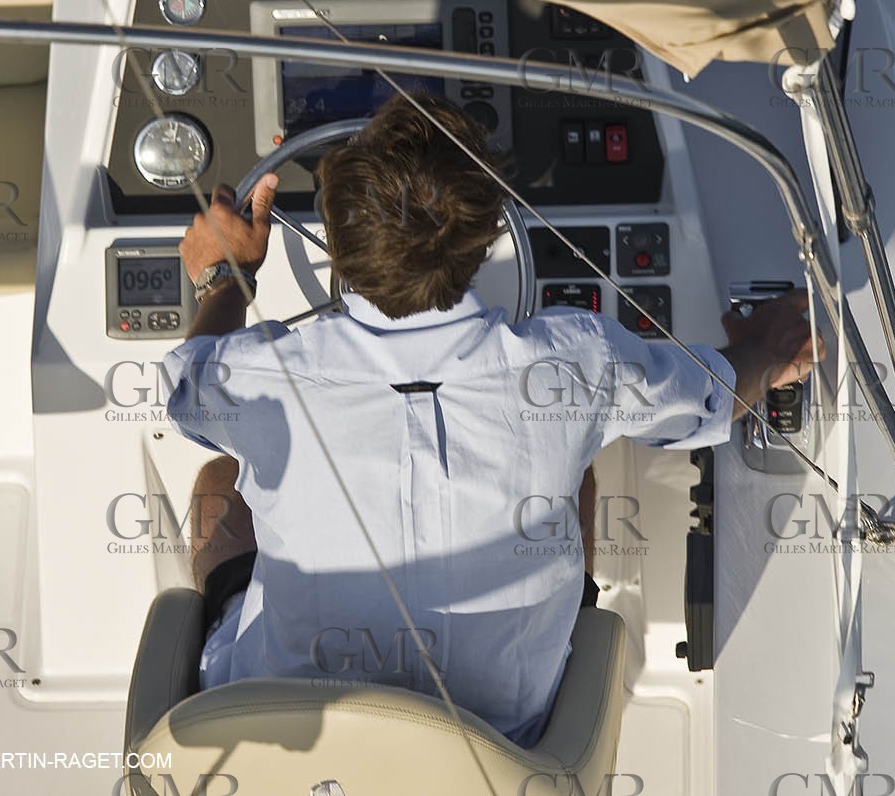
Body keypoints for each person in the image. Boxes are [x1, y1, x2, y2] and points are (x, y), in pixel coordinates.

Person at [163, 93, 820, 745]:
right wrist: (767, 350)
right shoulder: (576, 362)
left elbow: (186, 386)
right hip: (504, 743)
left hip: (287, 737)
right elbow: (707, 400)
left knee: (220, 479)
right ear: (484, 237)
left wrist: (225, 275)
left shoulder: (263, 375)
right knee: (576, 470)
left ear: (335, 241)